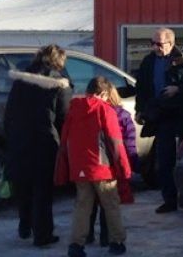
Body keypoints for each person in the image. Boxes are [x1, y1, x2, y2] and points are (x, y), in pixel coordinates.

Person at [3, 44, 72, 248]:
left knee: (23, 186)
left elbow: (9, 113)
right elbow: (63, 118)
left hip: (19, 139)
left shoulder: (20, 80)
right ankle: (42, 234)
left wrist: (12, 136)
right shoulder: (59, 85)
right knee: (42, 190)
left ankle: (25, 226)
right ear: (59, 61)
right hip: (44, 142)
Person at [55, 77, 131, 257]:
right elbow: (115, 142)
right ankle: (117, 241)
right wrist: (124, 168)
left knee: (82, 206)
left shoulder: (74, 109)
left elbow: (64, 139)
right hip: (102, 167)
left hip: (80, 167)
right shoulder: (105, 110)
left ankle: (76, 244)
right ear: (104, 93)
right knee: (111, 205)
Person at [134, 28, 183, 214]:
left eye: (159, 44)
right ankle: (169, 200)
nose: (155, 47)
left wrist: (178, 89)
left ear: (171, 43)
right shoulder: (149, 62)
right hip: (161, 115)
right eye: (152, 43)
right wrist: (140, 110)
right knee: (164, 160)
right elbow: (141, 88)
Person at [86, 83, 138, 247]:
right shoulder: (122, 115)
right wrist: (132, 161)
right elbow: (129, 141)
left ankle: (88, 234)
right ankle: (106, 237)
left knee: (90, 202)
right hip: (112, 163)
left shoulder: (90, 113)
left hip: (93, 162)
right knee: (108, 203)